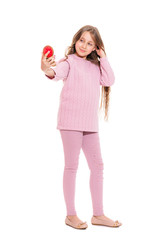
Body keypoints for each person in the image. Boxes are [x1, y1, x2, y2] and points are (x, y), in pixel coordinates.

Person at [41, 25, 122, 230]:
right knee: (72, 166)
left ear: (96, 47)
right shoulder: (68, 62)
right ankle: (71, 215)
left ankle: (98, 214)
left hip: (89, 125)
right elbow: (55, 72)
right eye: (82, 40)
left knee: (98, 167)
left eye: (90, 43)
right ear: (75, 40)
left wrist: (103, 57)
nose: (84, 45)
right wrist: (45, 68)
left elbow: (110, 79)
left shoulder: (96, 67)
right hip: (70, 123)